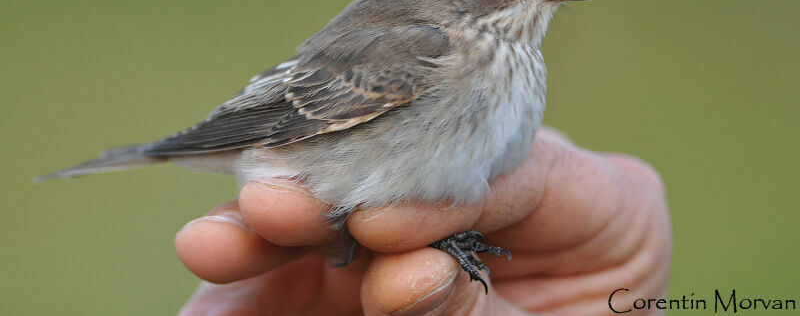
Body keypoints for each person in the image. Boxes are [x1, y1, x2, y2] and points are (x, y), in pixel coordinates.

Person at [175, 127, 671, 315]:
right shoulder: (422, 49)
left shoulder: (509, 64)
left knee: (398, 233)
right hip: (292, 142)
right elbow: (292, 108)